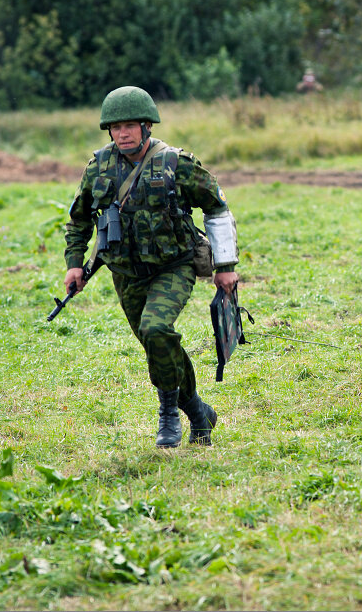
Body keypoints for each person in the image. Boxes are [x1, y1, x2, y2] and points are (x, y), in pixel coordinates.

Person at [63, 86, 239, 448]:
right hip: (125, 274)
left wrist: (225, 266)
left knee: (157, 328)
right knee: (156, 344)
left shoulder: (176, 163)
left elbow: (217, 208)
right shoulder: (98, 167)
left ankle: (168, 415)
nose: (122, 133)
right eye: (115, 127)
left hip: (174, 265)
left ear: (146, 125)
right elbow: (79, 220)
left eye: (129, 125)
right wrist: (75, 264)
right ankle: (199, 413)